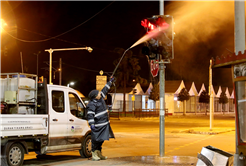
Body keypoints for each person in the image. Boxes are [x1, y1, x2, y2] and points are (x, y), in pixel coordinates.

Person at [86, 77, 115, 161]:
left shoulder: (100, 98)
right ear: (95, 96)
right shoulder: (91, 104)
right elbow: (90, 115)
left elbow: (105, 89)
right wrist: (91, 124)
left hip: (104, 124)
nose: (100, 94)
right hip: (98, 125)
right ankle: (94, 153)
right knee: (96, 140)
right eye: (98, 93)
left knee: (101, 139)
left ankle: (99, 153)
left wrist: (110, 82)